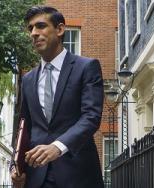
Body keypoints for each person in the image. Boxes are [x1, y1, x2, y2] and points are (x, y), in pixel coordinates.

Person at [11, 6, 104, 188]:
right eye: (30, 29)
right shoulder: (28, 79)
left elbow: (91, 117)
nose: (34, 33)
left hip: (78, 175)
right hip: (36, 177)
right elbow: (24, 128)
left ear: (60, 29)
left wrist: (57, 146)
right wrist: (16, 167)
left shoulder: (86, 68)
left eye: (40, 26)